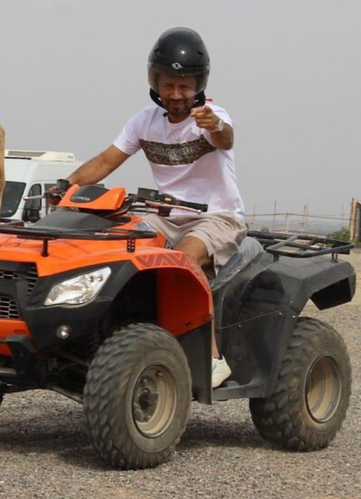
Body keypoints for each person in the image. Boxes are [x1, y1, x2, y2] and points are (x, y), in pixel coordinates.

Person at [60, 27, 246, 388]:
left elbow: (226, 135)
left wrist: (216, 124)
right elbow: (105, 161)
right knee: (112, 247)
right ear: (155, 82)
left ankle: (211, 359)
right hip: (165, 215)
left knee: (183, 261)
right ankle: (102, 338)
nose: (176, 95)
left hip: (216, 217)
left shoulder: (211, 117)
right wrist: (66, 188)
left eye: (184, 86)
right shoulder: (144, 121)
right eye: (168, 84)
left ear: (199, 85)